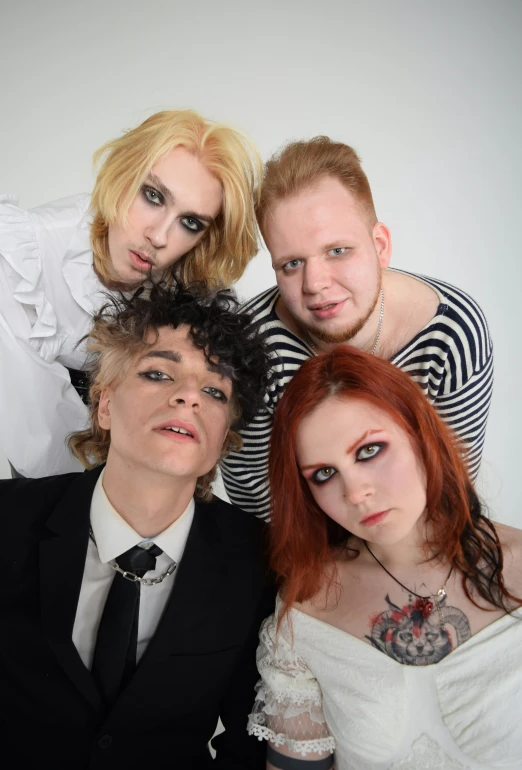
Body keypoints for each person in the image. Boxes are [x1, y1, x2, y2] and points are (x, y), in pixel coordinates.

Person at [0, 281, 274, 769]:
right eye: (158, 374)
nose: (189, 396)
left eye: (214, 389)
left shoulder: (258, 560)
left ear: (222, 440)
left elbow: (250, 739)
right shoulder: (7, 519)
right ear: (104, 405)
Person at [247, 346, 522, 770]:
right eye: (324, 474)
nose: (355, 493)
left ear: (418, 432)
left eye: (369, 451)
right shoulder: (309, 606)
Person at [221, 137, 493, 519]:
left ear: (380, 245)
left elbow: (451, 486)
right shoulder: (248, 345)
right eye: (291, 264)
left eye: (337, 251)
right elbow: (261, 510)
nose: (314, 284)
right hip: (305, 551)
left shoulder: (451, 332)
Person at [0, 108, 262, 477]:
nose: (158, 236)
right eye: (153, 196)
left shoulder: (193, 280)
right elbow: (35, 437)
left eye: (190, 223)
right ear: (123, 174)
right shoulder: (21, 260)